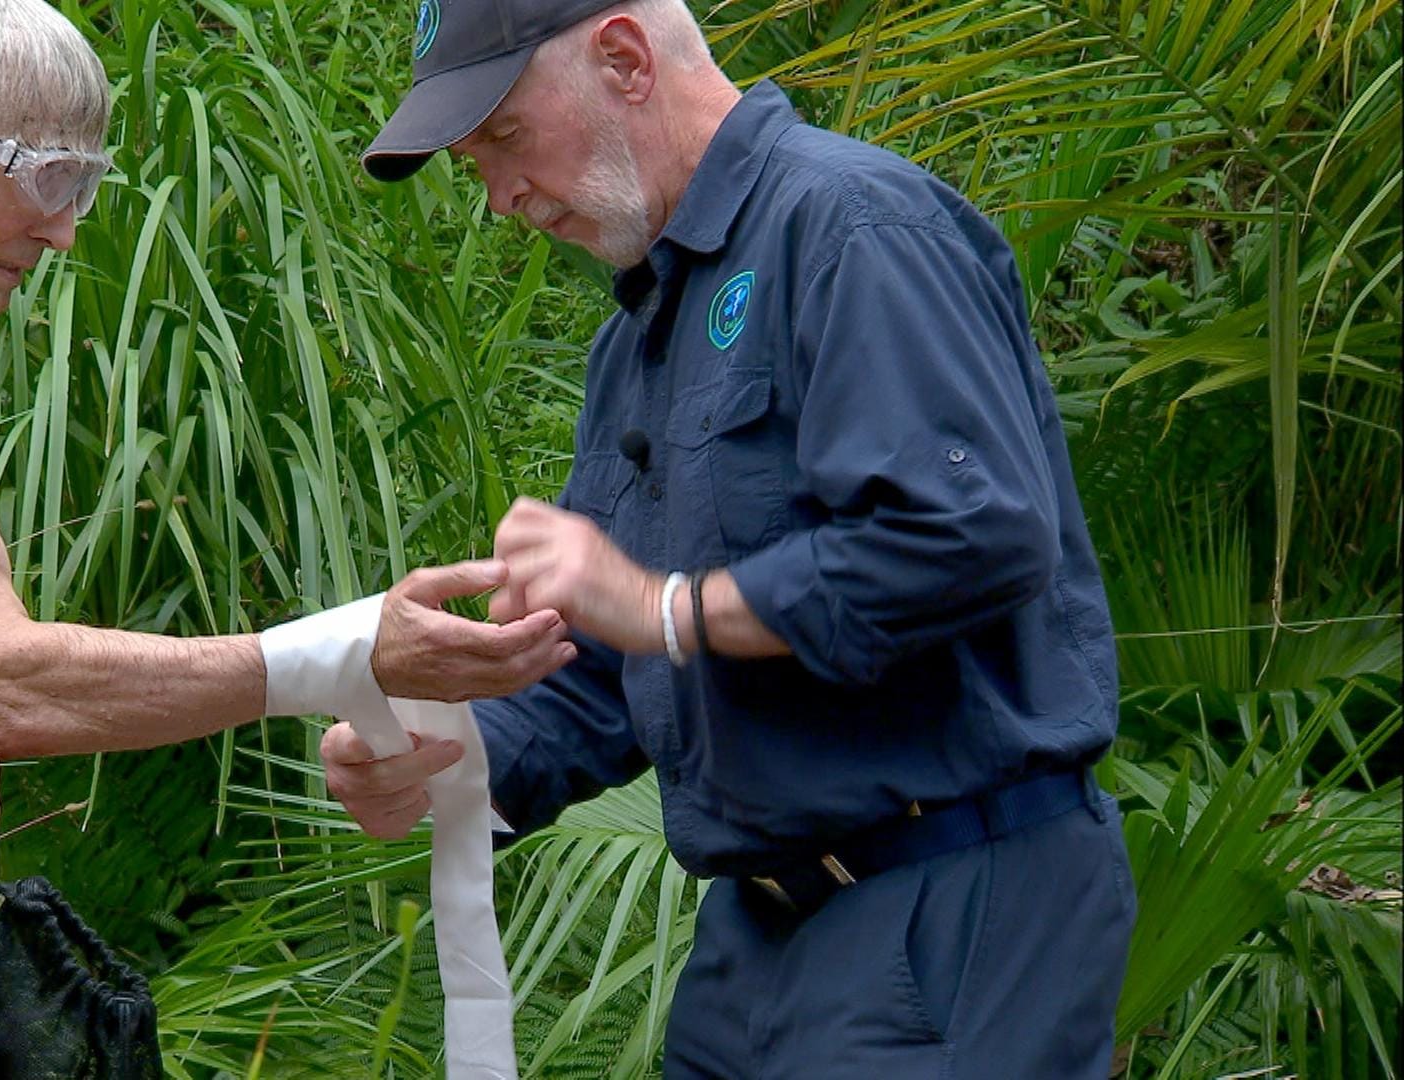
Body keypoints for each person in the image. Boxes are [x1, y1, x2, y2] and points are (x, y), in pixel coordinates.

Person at [0, 0, 575, 1074]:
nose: (66, 229)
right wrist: (345, 652)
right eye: (41, 178)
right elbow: (2, 687)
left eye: (84, 185)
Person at [321, 0, 1136, 1075]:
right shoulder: (634, 342)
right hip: (753, 943)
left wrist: (662, 604)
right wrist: (438, 763)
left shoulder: (852, 227)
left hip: (955, 898)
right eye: (476, 166)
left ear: (623, 57)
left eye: (505, 139)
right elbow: (610, 675)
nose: (501, 197)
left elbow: (970, 534)